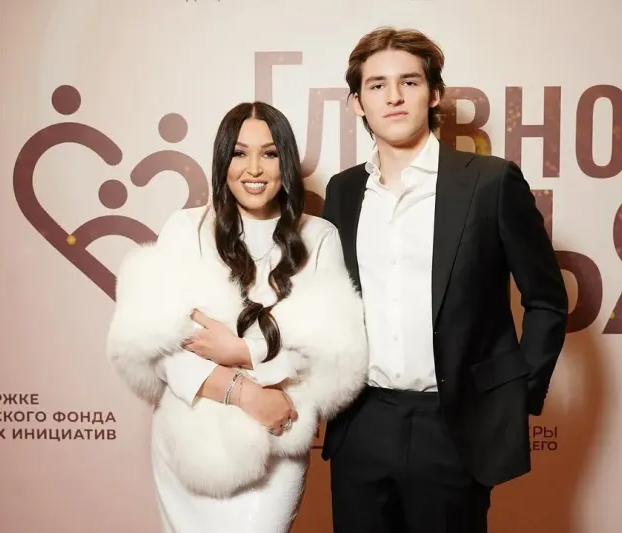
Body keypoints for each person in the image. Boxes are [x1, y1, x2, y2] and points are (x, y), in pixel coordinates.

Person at [320, 27, 569, 533]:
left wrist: (514, 395)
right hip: (360, 422)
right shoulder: (342, 191)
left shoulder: (490, 182)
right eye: (376, 85)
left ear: (434, 94)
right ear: (357, 103)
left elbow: (546, 298)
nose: (393, 96)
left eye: (409, 82)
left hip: (453, 426)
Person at [106, 101, 369, 533]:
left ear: (286, 162)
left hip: (274, 443)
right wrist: (244, 393)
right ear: (221, 161)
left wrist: (243, 352)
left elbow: (333, 350)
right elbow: (160, 345)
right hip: (190, 442)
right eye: (239, 153)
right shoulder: (186, 228)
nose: (254, 168)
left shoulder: (319, 237)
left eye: (269, 154)